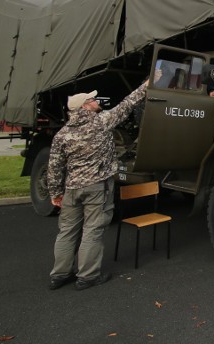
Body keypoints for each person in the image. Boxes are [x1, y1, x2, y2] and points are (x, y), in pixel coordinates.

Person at [47, 77, 151, 290]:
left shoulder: (62, 135)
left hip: (72, 189)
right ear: (85, 106)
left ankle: (59, 274)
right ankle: (87, 275)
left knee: (67, 231)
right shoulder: (102, 122)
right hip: (97, 188)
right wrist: (146, 86)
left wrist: (55, 193)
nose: (96, 100)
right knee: (93, 230)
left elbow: (55, 168)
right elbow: (128, 104)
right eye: (92, 99)